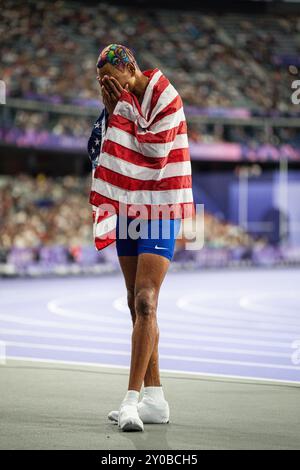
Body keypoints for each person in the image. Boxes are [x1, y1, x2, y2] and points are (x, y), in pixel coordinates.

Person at [90, 43, 194, 432]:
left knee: (147, 300)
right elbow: (110, 150)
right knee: (136, 306)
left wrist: (119, 112)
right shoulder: (120, 105)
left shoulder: (165, 94)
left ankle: (130, 401)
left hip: (162, 203)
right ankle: (156, 398)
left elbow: (153, 153)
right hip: (129, 204)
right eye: (101, 83)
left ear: (130, 68)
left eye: (111, 79)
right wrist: (113, 110)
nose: (108, 87)